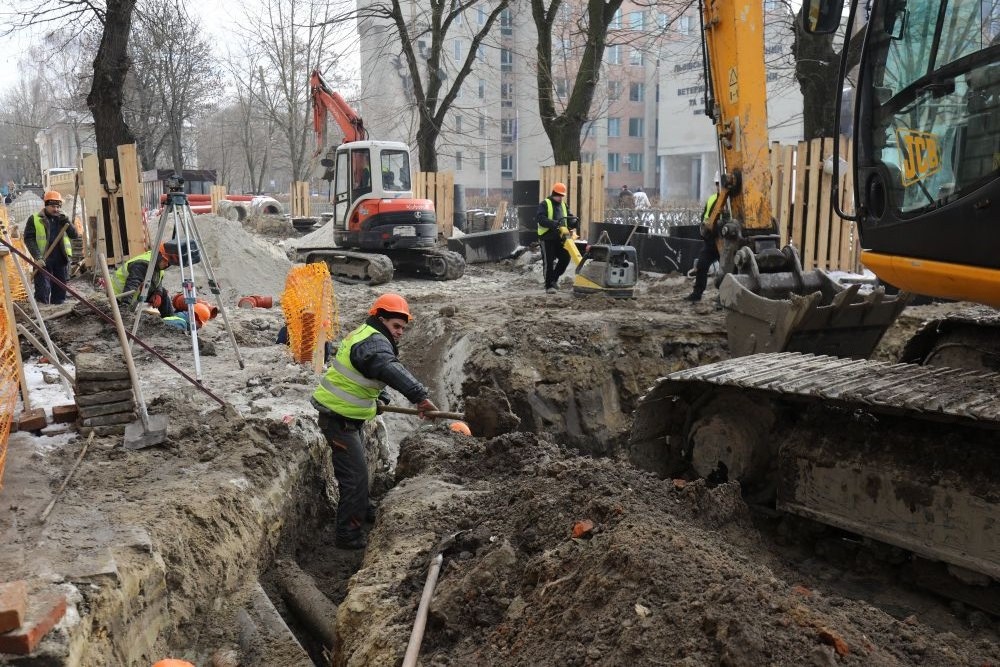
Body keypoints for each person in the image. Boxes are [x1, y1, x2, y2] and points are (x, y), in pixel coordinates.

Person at [311, 293, 439, 550]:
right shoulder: (374, 343)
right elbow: (386, 366)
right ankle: (348, 535)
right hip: (338, 419)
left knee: (359, 472)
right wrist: (420, 397)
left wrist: (380, 395)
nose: (400, 332)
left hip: (349, 416)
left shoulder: (367, 335)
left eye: (403, 327)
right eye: (396, 326)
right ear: (381, 319)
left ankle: (364, 509)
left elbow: (363, 372)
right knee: (355, 478)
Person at [23, 191, 80, 304]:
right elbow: (29, 239)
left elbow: (74, 235)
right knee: (42, 290)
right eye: (53, 206)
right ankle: (43, 313)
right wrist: (37, 256)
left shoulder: (63, 219)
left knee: (60, 289)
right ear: (46, 205)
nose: (56, 209)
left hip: (61, 259)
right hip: (44, 259)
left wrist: (67, 222)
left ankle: (58, 313)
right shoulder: (35, 219)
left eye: (58, 206)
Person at [110, 243, 179, 317]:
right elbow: (131, 286)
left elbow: (158, 280)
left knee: (163, 293)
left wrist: (158, 293)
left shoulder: (158, 264)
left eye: (169, 264)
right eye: (166, 261)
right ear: (159, 255)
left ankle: (170, 320)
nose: (166, 265)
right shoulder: (142, 265)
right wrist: (124, 309)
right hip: (118, 296)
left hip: (138, 291)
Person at [686, 175, 722, 302]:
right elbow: (704, 217)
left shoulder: (732, 201)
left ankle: (723, 297)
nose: (718, 186)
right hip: (711, 241)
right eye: (717, 183)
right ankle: (697, 294)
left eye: (720, 183)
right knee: (701, 265)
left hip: (725, 242)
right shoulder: (712, 199)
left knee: (727, 271)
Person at [535, 182, 576, 294]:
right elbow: (540, 219)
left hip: (560, 238)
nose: (560, 198)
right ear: (554, 193)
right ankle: (549, 285)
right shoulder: (545, 204)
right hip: (547, 237)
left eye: (562, 196)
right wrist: (554, 224)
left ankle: (554, 279)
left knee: (565, 257)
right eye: (559, 195)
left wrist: (573, 222)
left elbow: (569, 216)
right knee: (548, 262)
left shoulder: (563, 205)